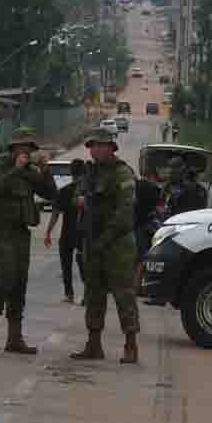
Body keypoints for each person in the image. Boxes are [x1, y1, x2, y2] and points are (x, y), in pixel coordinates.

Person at [0, 127, 56, 355]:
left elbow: (51, 194)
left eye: (29, 147)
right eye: (21, 146)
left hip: (21, 231)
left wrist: (45, 171)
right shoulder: (0, 165)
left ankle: (15, 337)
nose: (26, 151)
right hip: (0, 230)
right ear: (12, 148)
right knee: (5, 279)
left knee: (20, 283)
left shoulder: (30, 169)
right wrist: (16, 169)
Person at [71, 127, 141, 363]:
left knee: (124, 295)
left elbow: (125, 211)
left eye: (100, 145)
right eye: (92, 146)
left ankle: (130, 344)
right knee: (94, 294)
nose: (95, 150)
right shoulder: (90, 174)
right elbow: (77, 195)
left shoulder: (122, 174)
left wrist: (105, 239)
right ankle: (93, 344)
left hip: (117, 244)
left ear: (111, 148)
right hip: (93, 241)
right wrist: (80, 199)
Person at [45, 159, 86, 305]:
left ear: (71, 172)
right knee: (84, 262)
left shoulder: (65, 191)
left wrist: (48, 232)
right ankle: (87, 294)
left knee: (66, 264)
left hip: (67, 232)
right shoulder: (89, 192)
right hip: (84, 233)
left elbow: (55, 213)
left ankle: (69, 294)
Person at [134, 168, 163, 287]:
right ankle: (137, 286)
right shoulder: (154, 189)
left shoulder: (135, 185)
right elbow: (159, 209)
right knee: (143, 257)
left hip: (132, 225)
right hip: (146, 226)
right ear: (153, 177)